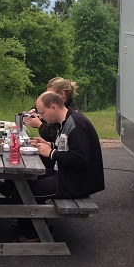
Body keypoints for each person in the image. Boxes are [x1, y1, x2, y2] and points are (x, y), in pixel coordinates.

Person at [11, 91, 105, 242]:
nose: (41, 117)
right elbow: (68, 147)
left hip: (75, 182)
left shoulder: (76, 125)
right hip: (64, 173)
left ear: (53, 107)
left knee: (21, 192)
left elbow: (80, 160)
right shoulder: (65, 120)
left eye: (42, 113)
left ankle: (34, 234)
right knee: (21, 181)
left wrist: (51, 153)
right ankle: (38, 225)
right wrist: (50, 144)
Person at [23, 77, 79, 142]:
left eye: (50, 94)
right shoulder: (54, 106)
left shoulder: (71, 117)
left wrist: (40, 125)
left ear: (62, 94)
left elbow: (58, 137)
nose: (47, 98)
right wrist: (32, 114)